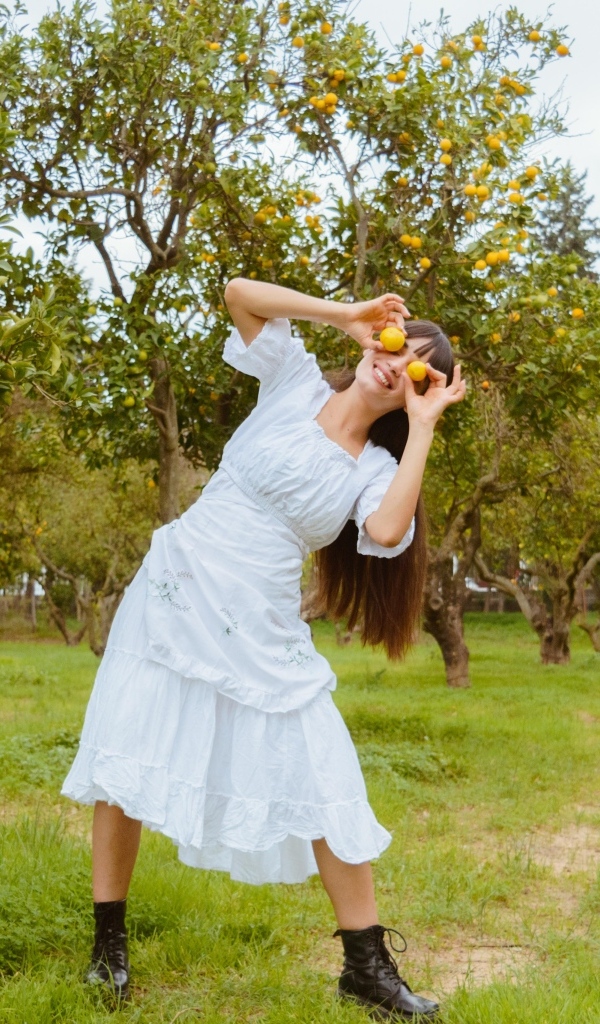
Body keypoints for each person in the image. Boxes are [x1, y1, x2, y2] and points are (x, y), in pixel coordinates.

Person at [62, 278, 466, 1019]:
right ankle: (106, 953)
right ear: (376, 341)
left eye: (420, 367)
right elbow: (237, 292)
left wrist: (426, 425)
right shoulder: (293, 379)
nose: (399, 361)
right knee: (128, 759)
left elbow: (383, 533)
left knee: (325, 770)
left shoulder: (375, 468)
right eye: (398, 343)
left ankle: (366, 969)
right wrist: (345, 314)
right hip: (178, 590)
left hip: (262, 622)